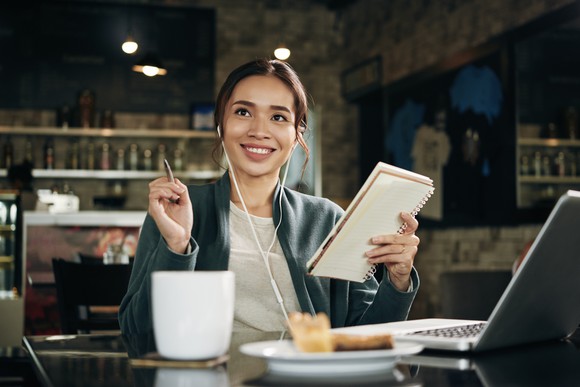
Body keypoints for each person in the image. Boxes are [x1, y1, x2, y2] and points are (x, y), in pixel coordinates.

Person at [119, 58, 421, 334]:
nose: (259, 130)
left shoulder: (328, 219)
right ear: (220, 125)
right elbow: (138, 334)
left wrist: (398, 281)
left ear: (296, 135)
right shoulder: (179, 210)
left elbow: (368, 337)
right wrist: (176, 247)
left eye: (278, 117)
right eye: (242, 112)